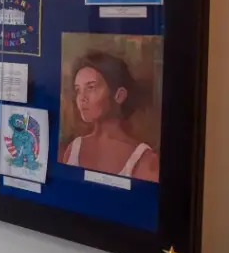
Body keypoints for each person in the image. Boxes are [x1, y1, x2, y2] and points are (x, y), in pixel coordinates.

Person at [62, 50, 159, 182]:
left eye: (91, 87)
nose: (82, 98)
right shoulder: (73, 148)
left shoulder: (145, 159)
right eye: (78, 90)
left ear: (119, 95)